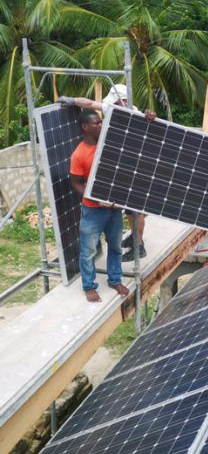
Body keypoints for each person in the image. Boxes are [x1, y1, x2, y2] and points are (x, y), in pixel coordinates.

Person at [58, 84, 152, 261]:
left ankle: (139, 246)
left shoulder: (137, 115)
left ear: (124, 101)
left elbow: (153, 129)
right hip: (122, 164)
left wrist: (150, 117)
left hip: (137, 165)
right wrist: (72, 100)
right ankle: (134, 237)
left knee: (135, 208)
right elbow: (91, 103)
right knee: (128, 209)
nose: (114, 104)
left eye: (118, 101)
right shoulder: (114, 108)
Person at [70, 110, 129, 302]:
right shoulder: (79, 154)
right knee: (88, 251)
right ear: (85, 127)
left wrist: (147, 117)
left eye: (101, 122)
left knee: (116, 247)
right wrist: (94, 198)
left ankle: (115, 279)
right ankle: (89, 286)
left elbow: (136, 137)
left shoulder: (109, 143)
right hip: (92, 211)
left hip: (113, 209)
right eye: (96, 123)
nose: (101, 125)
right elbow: (76, 183)